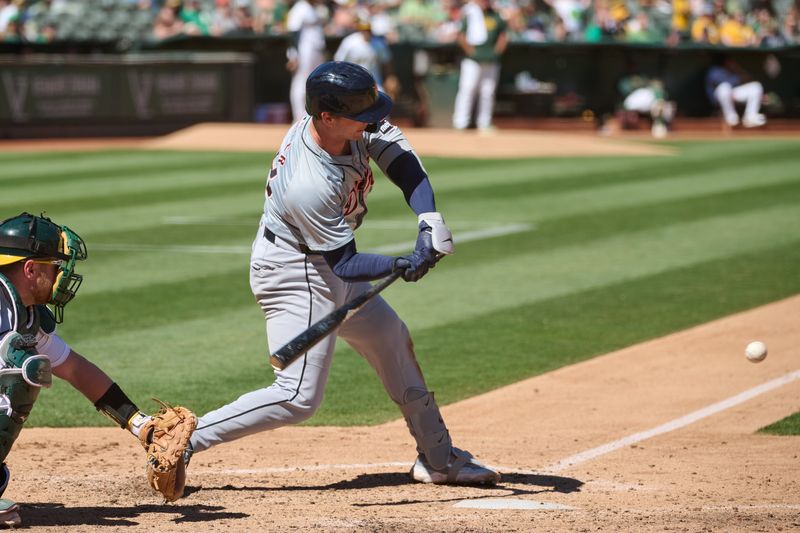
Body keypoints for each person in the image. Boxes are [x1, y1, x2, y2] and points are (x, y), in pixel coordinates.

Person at [185, 61, 500, 486]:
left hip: (325, 264)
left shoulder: (352, 122)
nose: (374, 122)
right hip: (296, 270)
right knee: (298, 397)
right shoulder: (308, 182)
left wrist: (429, 219)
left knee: (390, 337)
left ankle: (438, 459)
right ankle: (185, 439)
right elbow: (345, 264)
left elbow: (403, 164)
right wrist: (400, 263)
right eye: (363, 115)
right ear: (327, 117)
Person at [0, 213, 174, 526]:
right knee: (20, 372)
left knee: (26, 364)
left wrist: (138, 423)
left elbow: (76, 369)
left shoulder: (22, 314)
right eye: (54, 267)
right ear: (30, 269)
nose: (61, 276)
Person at [452, 0, 508, 132]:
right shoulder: (470, 14)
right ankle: (460, 123)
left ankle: (484, 123)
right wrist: (472, 52)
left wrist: (496, 52)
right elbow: (461, 36)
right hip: (472, 61)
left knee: (487, 92)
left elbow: (503, 35)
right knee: (467, 90)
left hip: (491, 60)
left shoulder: (496, 15)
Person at [286, 0, 327, 122]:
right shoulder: (300, 7)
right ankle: (298, 117)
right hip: (304, 50)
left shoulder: (314, 8)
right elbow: (293, 33)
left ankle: (312, 116)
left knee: (316, 82)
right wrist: (292, 55)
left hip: (315, 49)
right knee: (300, 82)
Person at [705, 56, 766, 128]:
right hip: (719, 97)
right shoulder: (714, 70)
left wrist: (737, 70)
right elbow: (720, 82)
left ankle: (750, 117)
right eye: (729, 61)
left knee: (756, 86)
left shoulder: (733, 71)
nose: (731, 63)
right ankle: (731, 118)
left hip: (733, 94)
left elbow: (746, 78)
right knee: (724, 88)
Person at [618, 74, 676, 138]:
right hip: (631, 109)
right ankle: (659, 125)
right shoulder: (655, 91)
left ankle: (659, 126)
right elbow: (659, 105)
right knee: (663, 106)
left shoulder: (644, 90)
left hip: (628, 107)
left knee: (663, 106)